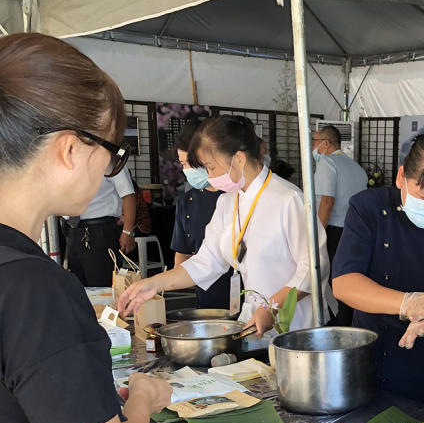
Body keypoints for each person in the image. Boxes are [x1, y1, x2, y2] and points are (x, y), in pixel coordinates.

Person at [0, 33, 171, 423]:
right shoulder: (34, 286)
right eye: (113, 150)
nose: (111, 168)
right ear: (70, 148)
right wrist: (144, 408)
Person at [119, 115, 332, 333]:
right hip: (254, 324)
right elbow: (205, 261)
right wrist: (154, 283)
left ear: (238, 159)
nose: (210, 177)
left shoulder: (288, 199)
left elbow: (313, 269)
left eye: (211, 167)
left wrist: (272, 307)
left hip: (298, 327)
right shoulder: (228, 201)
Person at [332, 133, 424, 419]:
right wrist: (407, 303)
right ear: (401, 176)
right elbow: (344, 282)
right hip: (375, 355)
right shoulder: (369, 209)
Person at [312, 125, 369, 327]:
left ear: (326, 143)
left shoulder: (328, 162)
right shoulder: (356, 167)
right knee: (349, 278)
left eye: (314, 141)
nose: (312, 146)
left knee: (331, 282)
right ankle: (349, 325)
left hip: (333, 232)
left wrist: (315, 234)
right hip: (356, 231)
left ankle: (335, 327)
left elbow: (327, 202)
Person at [170, 119, 229, 309]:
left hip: (250, 297)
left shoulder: (236, 197)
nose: (187, 170)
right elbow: (183, 254)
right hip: (207, 301)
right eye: (182, 164)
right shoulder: (186, 203)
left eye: (191, 163)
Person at [64, 164, 137, 287]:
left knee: (102, 288)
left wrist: (127, 232)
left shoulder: (109, 157)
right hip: (73, 230)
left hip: (99, 230)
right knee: (78, 289)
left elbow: (128, 195)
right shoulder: (67, 161)